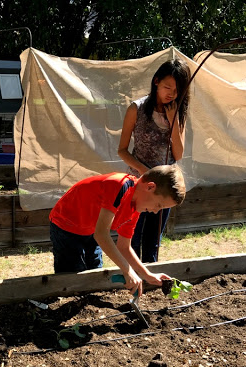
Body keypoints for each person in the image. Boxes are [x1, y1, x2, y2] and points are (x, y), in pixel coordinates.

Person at [49, 164, 186, 294]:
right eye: (158, 205)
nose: (156, 211)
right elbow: (101, 234)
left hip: (90, 230)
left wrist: (147, 275)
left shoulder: (135, 208)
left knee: (95, 276)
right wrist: (127, 270)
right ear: (150, 187)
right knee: (73, 279)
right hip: (66, 226)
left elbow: (124, 246)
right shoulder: (119, 186)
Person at [118, 58, 191, 263]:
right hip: (139, 184)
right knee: (132, 236)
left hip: (165, 185)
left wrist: (174, 122)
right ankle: (131, 278)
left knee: (154, 238)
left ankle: (151, 279)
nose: (171, 93)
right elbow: (122, 150)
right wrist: (145, 171)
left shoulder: (177, 111)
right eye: (168, 87)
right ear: (156, 81)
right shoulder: (137, 109)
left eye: (177, 90)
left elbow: (178, 154)